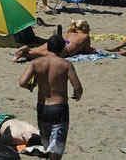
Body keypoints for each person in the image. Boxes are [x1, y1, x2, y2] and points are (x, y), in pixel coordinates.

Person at [19, 32, 83, 160]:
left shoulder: (36, 63)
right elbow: (77, 87)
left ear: (48, 47)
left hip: (42, 107)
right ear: (62, 48)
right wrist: (77, 95)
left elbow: (22, 82)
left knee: (47, 143)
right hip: (59, 107)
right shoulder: (65, 64)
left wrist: (30, 87)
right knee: (57, 149)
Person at [15, 20, 93, 61]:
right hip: (64, 49)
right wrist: (92, 50)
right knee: (44, 54)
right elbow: (87, 50)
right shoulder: (85, 36)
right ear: (85, 28)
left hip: (57, 41)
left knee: (39, 49)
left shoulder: (71, 31)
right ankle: (25, 53)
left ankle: (28, 50)